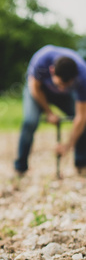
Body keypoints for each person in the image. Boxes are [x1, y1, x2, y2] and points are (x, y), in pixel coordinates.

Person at [14, 44, 86, 175]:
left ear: (74, 78)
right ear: (52, 71)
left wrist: (67, 146)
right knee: (30, 121)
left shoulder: (83, 75)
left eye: (67, 85)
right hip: (38, 91)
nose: (62, 89)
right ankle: (20, 167)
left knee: (84, 123)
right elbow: (34, 87)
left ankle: (81, 164)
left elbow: (81, 117)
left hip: (63, 98)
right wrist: (49, 112)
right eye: (60, 84)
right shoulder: (42, 59)